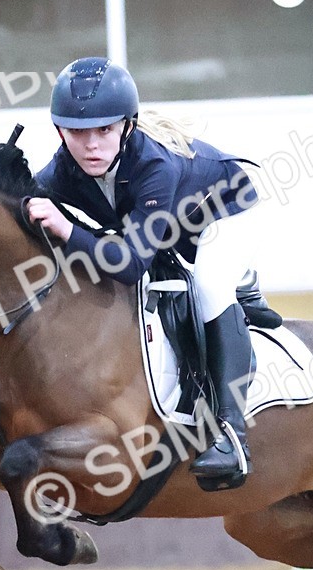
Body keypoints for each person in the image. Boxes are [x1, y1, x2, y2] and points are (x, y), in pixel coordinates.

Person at [26, 56, 266, 490]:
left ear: (127, 126)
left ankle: (232, 436)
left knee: (208, 286)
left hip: (222, 213)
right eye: (78, 132)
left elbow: (131, 263)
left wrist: (67, 228)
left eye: (105, 130)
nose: (92, 145)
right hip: (168, 228)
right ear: (60, 132)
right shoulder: (63, 168)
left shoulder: (154, 165)